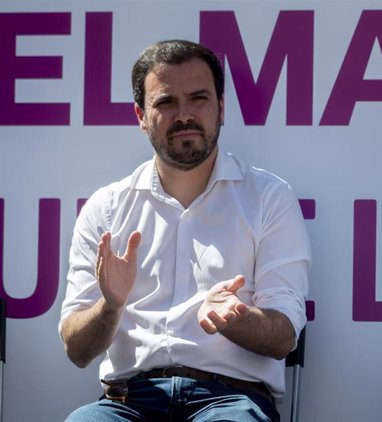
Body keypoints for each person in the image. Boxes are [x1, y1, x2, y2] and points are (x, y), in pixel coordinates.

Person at [59, 39, 311, 422]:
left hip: (230, 402)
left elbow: (284, 337)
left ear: (221, 109)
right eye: (165, 102)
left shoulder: (269, 198)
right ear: (141, 116)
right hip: (126, 403)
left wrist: (235, 318)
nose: (184, 115)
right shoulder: (106, 208)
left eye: (198, 99)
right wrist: (110, 306)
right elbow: (77, 349)